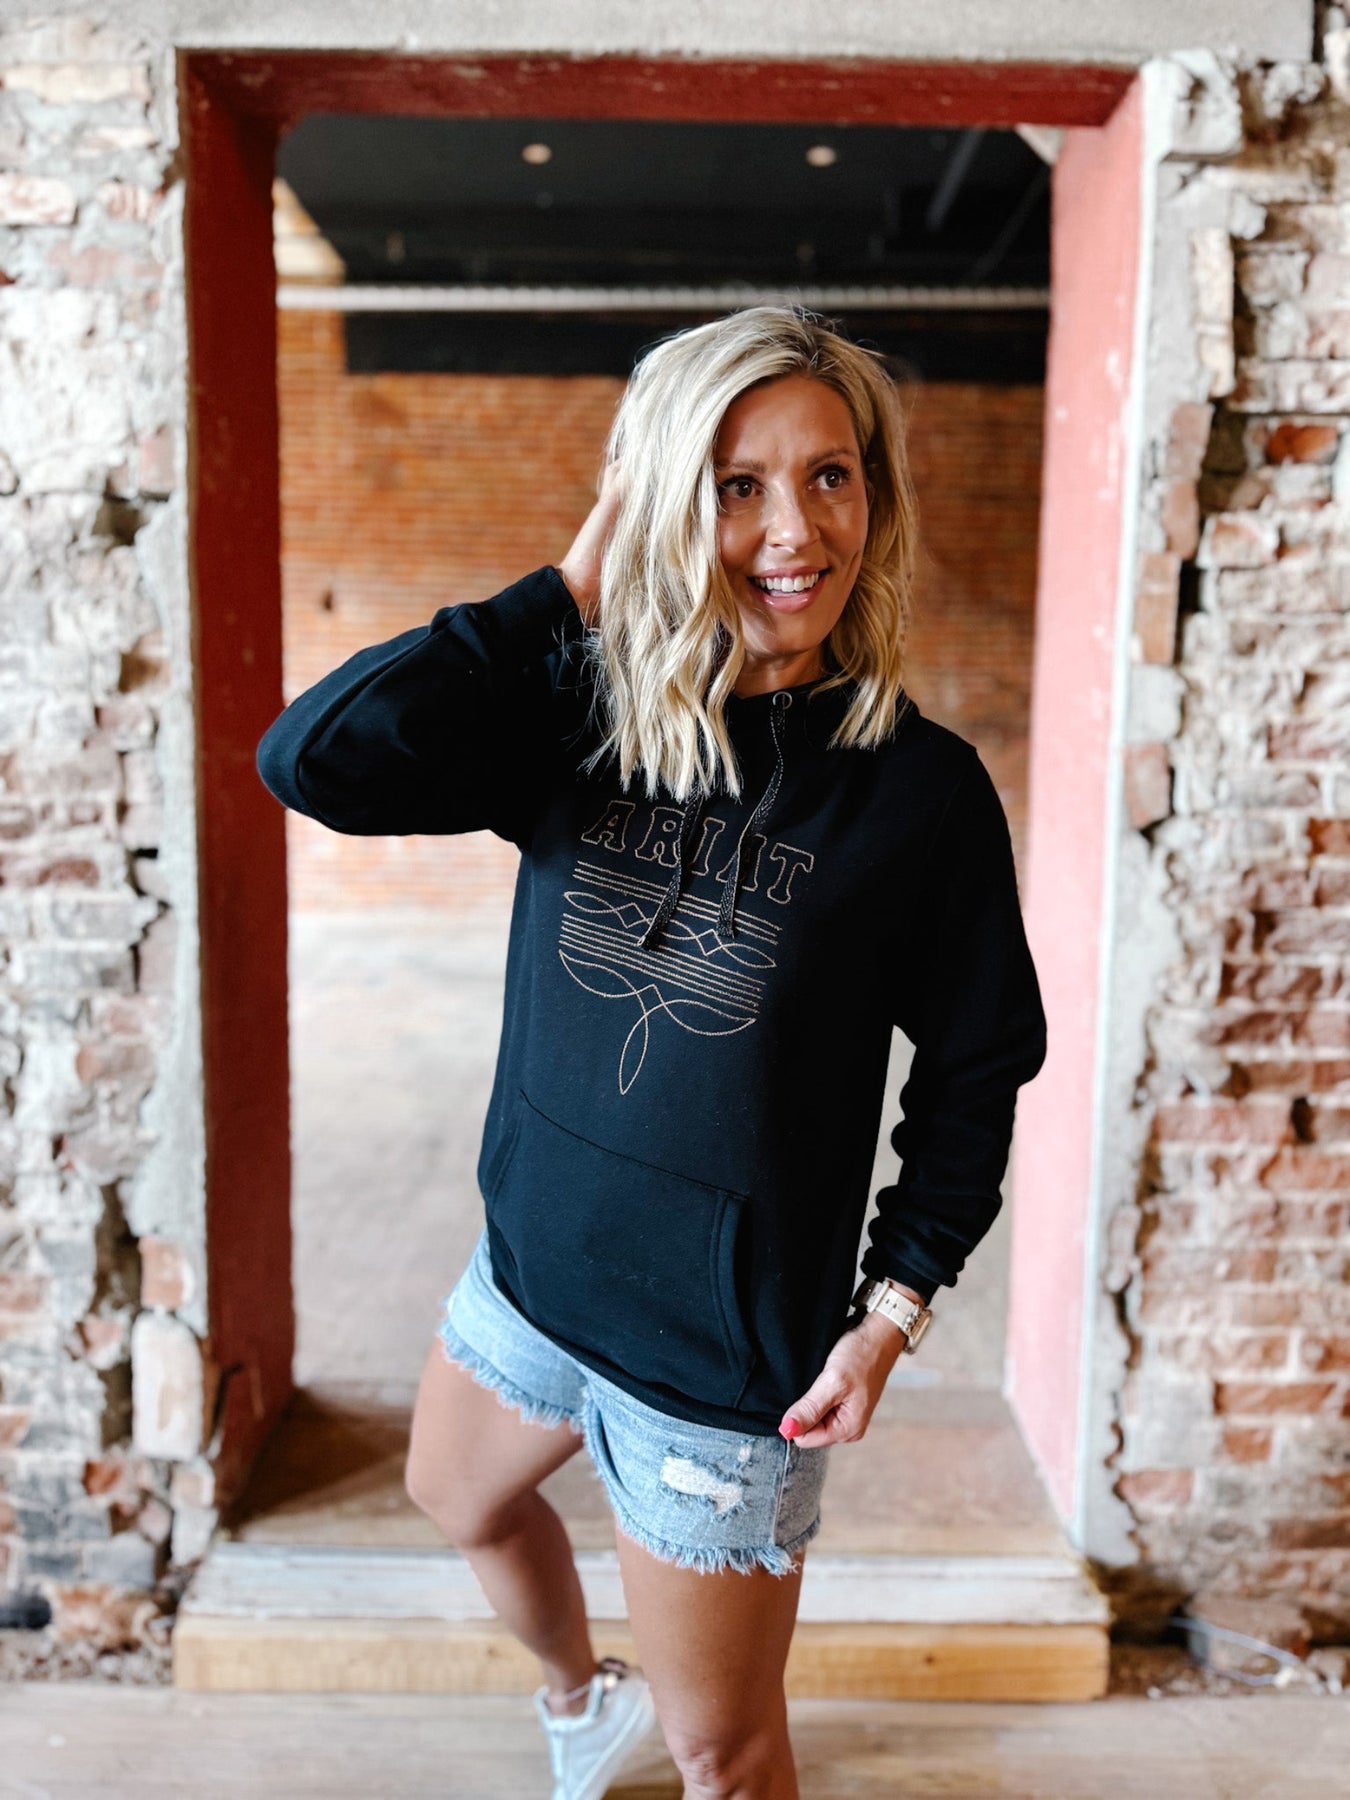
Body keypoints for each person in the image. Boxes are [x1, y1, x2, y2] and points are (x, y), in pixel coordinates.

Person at [255, 306, 1047, 1800]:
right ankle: (580, 1702)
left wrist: (891, 1313)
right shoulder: (583, 713)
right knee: (455, 1495)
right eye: (736, 485)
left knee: (725, 1755)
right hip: (531, 1273)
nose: (794, 529)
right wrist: (570, 587)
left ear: (872, 497)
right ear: (663, 502)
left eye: (829, 475)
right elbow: (312, 758)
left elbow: (976, 1070)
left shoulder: (921, 796)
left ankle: (650, 1728)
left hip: (720, 1363)